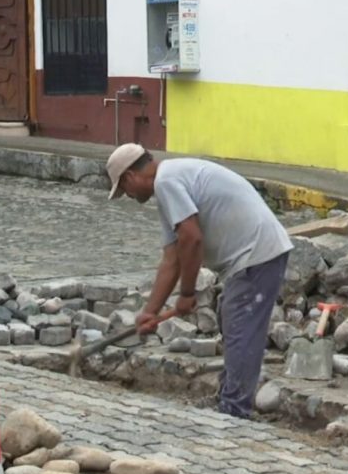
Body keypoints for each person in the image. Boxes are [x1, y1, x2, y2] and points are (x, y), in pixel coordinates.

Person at [105, 144, 293, 418]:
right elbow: (172, 260)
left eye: (125, 191)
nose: (130, 197)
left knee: (240, 327)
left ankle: (234, 410)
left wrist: (187, 294)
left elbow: (191, 240)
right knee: (231, 319)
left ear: (130, 177)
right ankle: (228, 398)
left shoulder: (167, 181)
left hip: (257, 254)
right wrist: (150, 312)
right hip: (252, 256)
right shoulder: (170, 183)